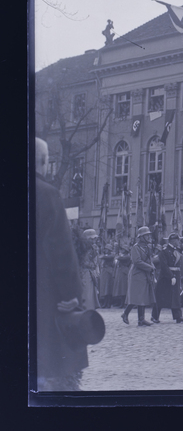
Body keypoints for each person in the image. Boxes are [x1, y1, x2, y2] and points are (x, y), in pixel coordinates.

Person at [35, 137, 89, 391]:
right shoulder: (46, 194)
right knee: (50, 374)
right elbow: (62, 253)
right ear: (44, 162)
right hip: (41, 300)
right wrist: (73, 295)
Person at [121, 226, 157, 326]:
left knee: (143, 296)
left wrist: (152, 267)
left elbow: (149, 260)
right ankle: (125, 313)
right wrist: (150, 267)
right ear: (141, 237)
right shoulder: (135, 248)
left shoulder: (147, 247)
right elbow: (137, 261)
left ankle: (141, 319)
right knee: (137, 296)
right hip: (136, 274)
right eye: (146, 235)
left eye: (149, 235)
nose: (148, 237)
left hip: (145, 273)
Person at [152, 232, 183, 323]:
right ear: (173, 241)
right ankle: (154, 316)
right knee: (160, 297)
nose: (179, 242)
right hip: (165, 277)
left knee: (175, 297)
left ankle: (178, 316)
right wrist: (171, 276)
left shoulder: (176, 251)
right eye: (177, 240)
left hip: (175, 275)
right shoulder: (164, 252)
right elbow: (164, 266)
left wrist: (178, 275)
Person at [111, 238, 131, 308]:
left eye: (123, 249)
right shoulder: (122, 256)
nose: (122, 250)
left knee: (123, 288)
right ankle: (121, 302)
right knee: (120, 288)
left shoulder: (127, 256)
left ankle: (124, 303)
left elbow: (120, 258)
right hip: (120, 272)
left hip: (124, 272)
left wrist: (117, 255)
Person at [98, 242, 116, 308]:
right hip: (104, 272)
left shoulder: (111, 255)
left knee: (108, 288)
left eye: (107, 249)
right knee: (104, 288)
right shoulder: (105, 255)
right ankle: (105, 302)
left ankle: (108, 303)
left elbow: (105, 257)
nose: (106, 250)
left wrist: (102, 256)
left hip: (109, 272)